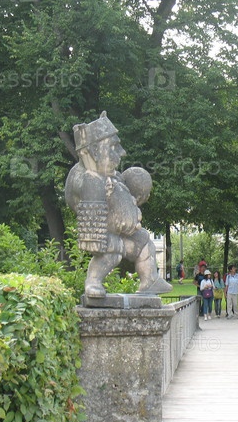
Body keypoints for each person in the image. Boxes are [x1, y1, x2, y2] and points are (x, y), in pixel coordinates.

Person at [65, 111, 172, 298]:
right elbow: (93, 238)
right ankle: (93, 282)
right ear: (93, 151)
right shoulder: (88, 179)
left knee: (144, 240)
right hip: (104, 234)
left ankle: (150, 280)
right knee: (112, 251)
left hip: (117, 228)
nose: (122, 152)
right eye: (113, 146)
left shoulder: (109, 175)